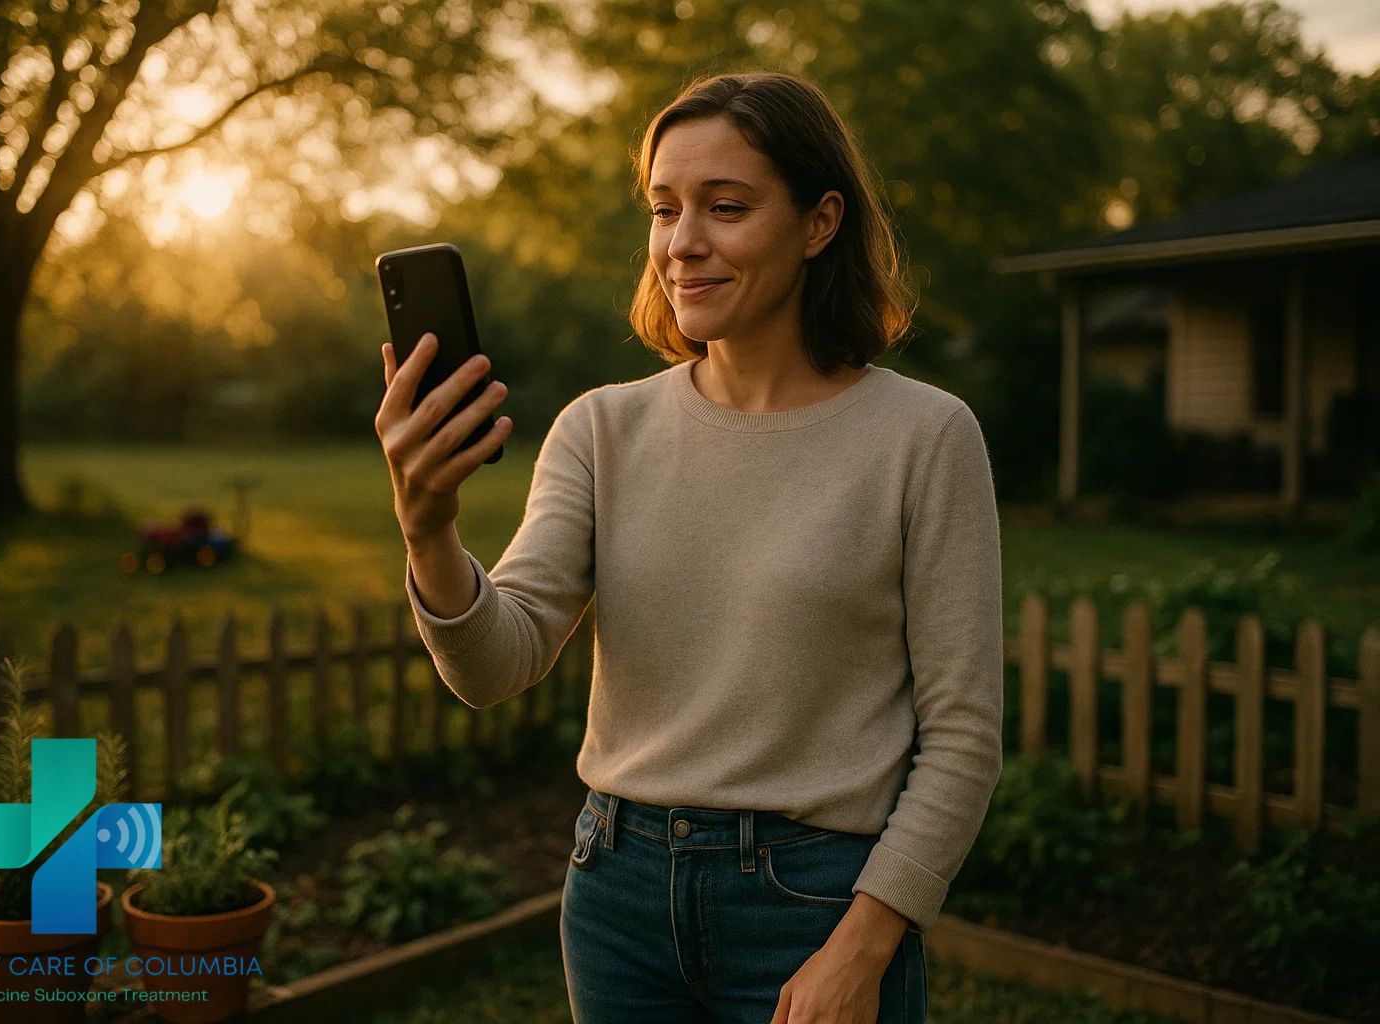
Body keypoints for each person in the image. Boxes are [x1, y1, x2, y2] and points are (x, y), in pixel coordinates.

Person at [374, 70, 1003, 1024]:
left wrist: (864, 945)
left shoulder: (924, 436)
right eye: (665, 209)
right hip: (617, 895)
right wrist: (429, 531)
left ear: (819, 222)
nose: (682, 243)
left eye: (726, 206)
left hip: (820, 902)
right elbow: (496, 665)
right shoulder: (600, 431)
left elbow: (963, 737)